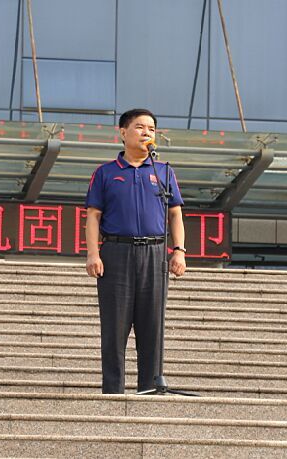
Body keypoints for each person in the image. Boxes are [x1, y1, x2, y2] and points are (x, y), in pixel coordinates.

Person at [84, 108, 187, 394]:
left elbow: (175, 214)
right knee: (114, 328)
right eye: (140, 127)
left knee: (152, 326)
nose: (147, 133)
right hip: (116, 253)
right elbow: (93, 215)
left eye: (152, 129)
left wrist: (179, 250)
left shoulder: (164, 171)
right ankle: (113, 391)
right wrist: (93, 254)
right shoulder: (105, 173)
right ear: (123, 132)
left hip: (155, 254)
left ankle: (150, 389)